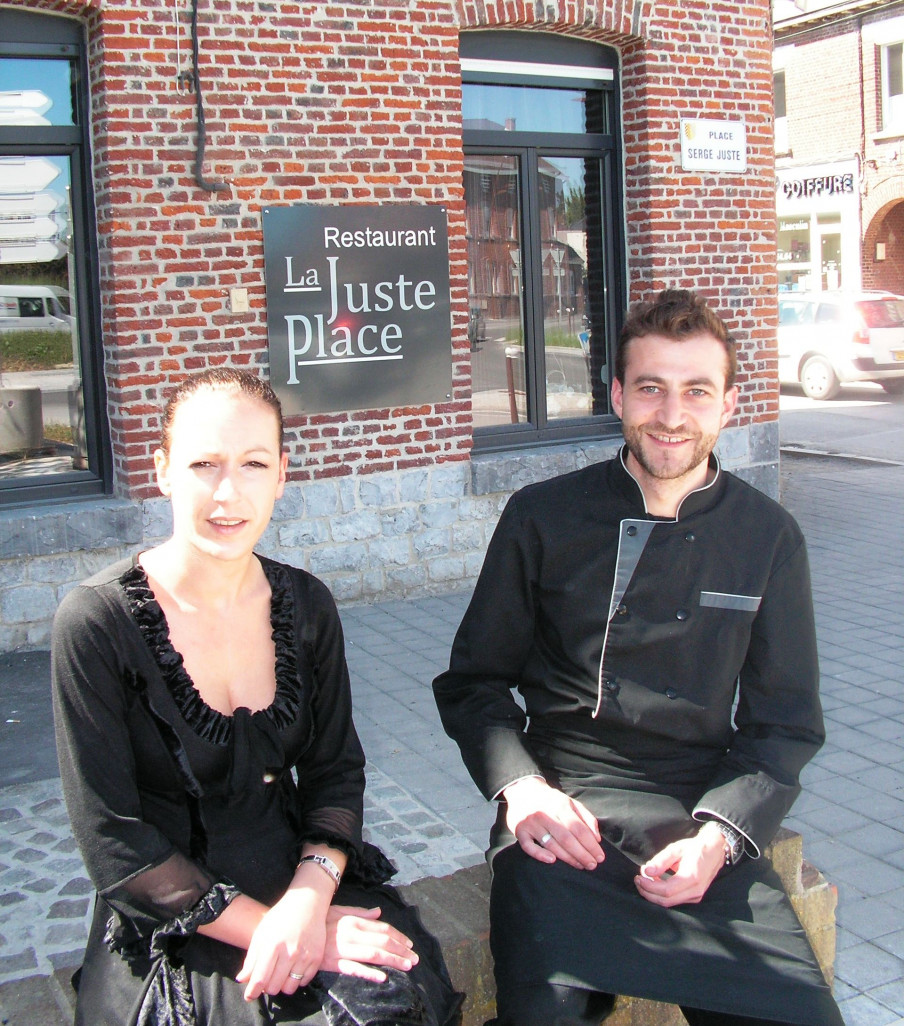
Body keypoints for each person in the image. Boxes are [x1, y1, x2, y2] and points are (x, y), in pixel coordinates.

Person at [433, 289, 844, 1026]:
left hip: (698, 812)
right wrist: (521, 790)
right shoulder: (542, 515)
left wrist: (721, 838)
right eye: (650, 388)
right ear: (618, 394)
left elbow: (785, 723)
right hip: (564, 810)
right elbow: (474, 684)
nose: (672, 415)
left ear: (729, 404)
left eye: (696, 392)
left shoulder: (769, 537)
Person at [52, 367, 462, 1026]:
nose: (227, 493)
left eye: (252, 463)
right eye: (203, 464)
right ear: (160, 470)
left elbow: (334, 772)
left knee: (386, 1001)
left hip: (298, 875)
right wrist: (273, 931)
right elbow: (114, 843)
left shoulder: (307, 605)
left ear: (281, 473)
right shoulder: (97, 624)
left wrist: (306, 905)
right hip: (170, 913)